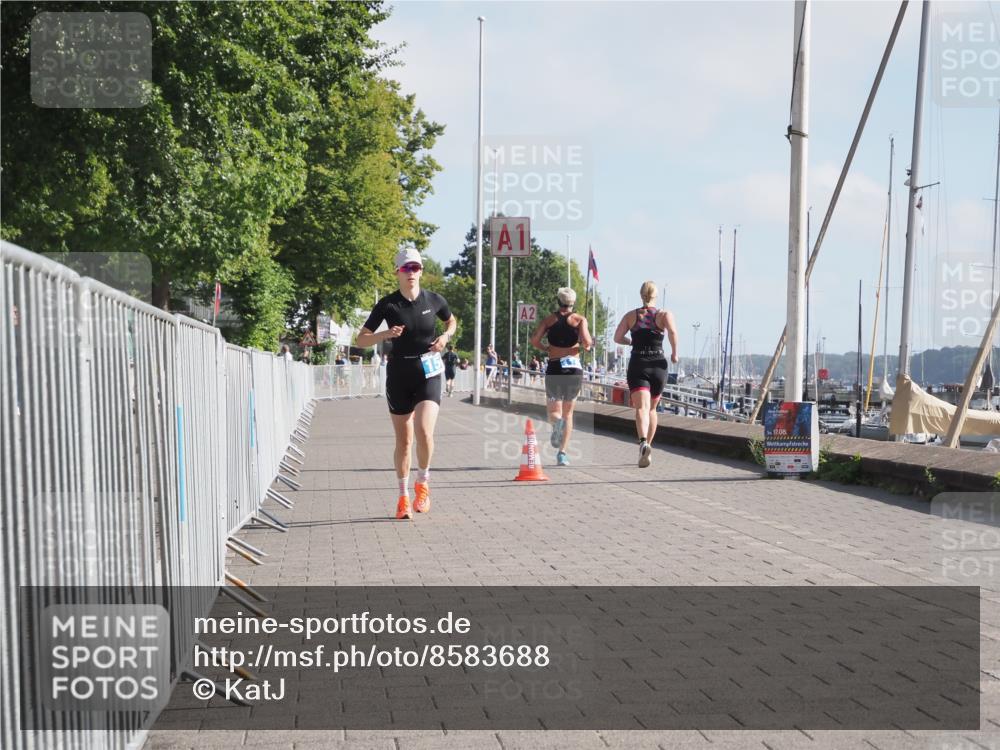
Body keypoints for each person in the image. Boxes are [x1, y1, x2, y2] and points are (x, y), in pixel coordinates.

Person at [356, 248, 457, 520]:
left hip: (429, 370)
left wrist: (446, 337)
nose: (411, 273)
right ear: (397, 273)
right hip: (399, 373)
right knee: (404, 440)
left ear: (421, 271)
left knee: (424, 431)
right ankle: (402, 497)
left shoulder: (434, 299)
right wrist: (385, 334)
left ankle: (422, 483)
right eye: (405, 268)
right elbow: (361, 340)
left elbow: (451, 321)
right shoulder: (388, 305)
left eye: (415, 267)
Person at [613, 281, 678, 468]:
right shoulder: (664, 315)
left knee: (641, 408)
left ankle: (642, 442)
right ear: (655, 296)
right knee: (652, 409)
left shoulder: (631, 316)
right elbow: (673, 332)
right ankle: (649, 444)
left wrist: (630, 342)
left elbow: (617, 337)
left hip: (638, 364)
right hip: (658, 364)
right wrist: (674, 352)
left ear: (641, 295)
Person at [529, 287, 593, 466]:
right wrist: (582, 345)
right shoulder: (579, 319)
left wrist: (546, 348)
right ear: (573, 303)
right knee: (568, 413)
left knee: (553, 411)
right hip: (574, 368)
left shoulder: (549, 320)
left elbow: (534, 339)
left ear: (558, 301)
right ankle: (562, 453)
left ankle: (557, 424)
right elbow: (588, 342)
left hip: (555, 366)